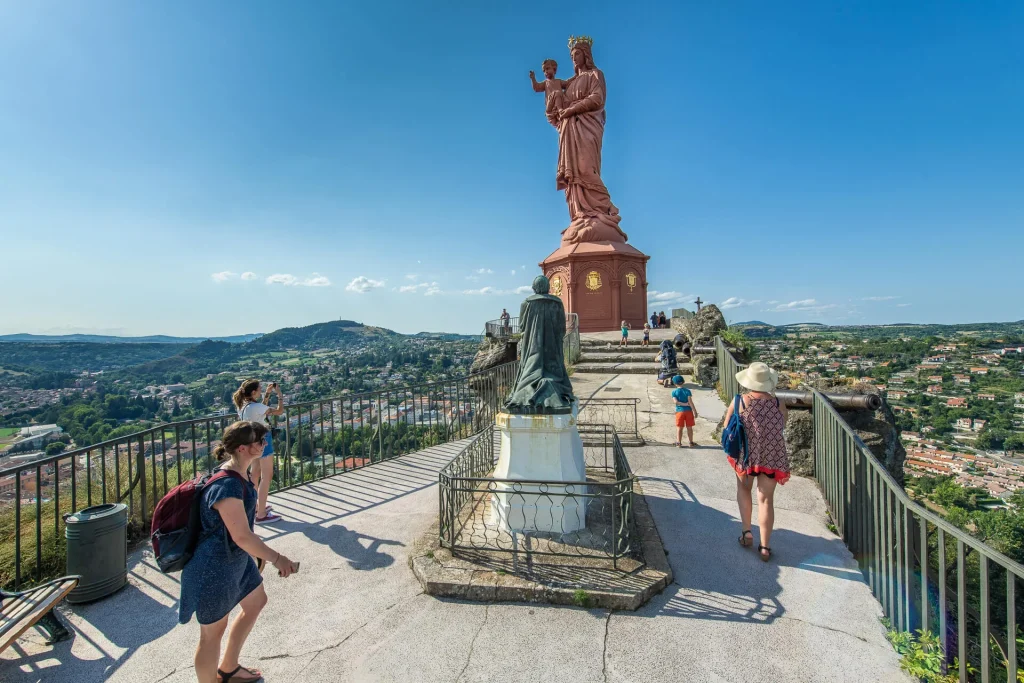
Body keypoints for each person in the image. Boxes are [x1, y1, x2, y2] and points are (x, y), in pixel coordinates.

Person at [179, 420, 299, 683]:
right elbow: (241, 535)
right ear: (244, 448)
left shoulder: (240, 473)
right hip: (213, 566)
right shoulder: (227, 485)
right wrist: (278, 559)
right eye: (260, 441)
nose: (265, 444)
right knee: (212, 633)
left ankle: (229, 668)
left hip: (234, 559)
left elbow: (241, 530)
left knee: (256, 602)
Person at [721, 362, 790, 562]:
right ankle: (765, 546)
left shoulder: (740, 401)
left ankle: (746, 532)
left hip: (746, 455)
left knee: (744, 490)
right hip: (771, 456)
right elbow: (781, 425)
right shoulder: (778, 403)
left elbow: (727, 428)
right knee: (766, 500)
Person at [233, 379, 285, 524]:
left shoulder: (244, 407)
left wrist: (268, 394)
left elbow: (261, 409)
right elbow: (280, 411)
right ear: (254, 392)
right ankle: (261, 514)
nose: (262, 390)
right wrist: (279, 394)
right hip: (263, 440)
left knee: (254, 474)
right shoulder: (255, 407)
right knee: (267, 476)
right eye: (260, 389)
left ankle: (255, 507)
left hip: (251, 441)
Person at [529, 58, 572, 128]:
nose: (546, 72)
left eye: (548, 69)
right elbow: (536, 88)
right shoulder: (546, 83)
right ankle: (560, 109)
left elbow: (568, 83)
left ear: (554, 70)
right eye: (544, 70)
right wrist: (533, 78)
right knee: (557, 93)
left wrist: (576, 76)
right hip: (551, 104)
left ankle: (562, 113)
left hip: (560, 102)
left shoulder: (558, 81)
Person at [671, 375, 698, 447]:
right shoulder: (687, 391)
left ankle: (678, 443)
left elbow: (676, 402)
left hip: (679, 412)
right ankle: (691, 442)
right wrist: (694, 411)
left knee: (679, 427)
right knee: (689, 427)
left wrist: (684, 404)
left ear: (674, 383)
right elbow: (690, 402)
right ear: (683, 382)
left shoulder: (674, 392)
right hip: (688, 412)